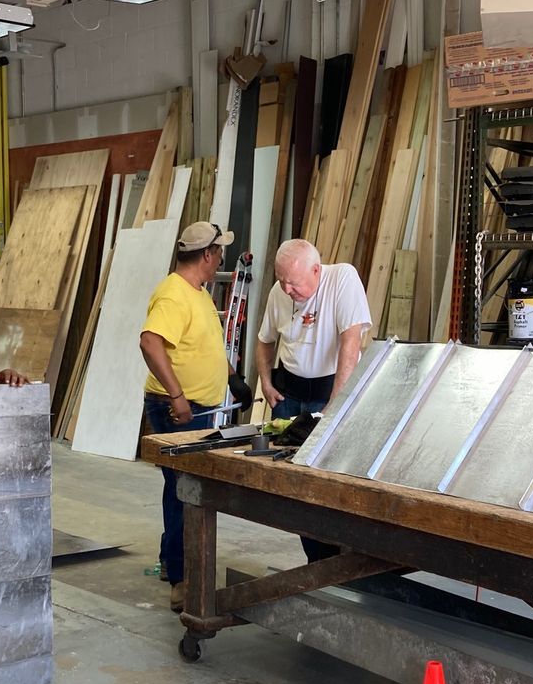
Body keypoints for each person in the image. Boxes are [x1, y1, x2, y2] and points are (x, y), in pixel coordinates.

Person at [140, 222, 251, 611]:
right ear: (207, 255)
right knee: (186, 490)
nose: (221, 257)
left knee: (183, 486)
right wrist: (178, 395)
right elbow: (150, 342)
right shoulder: (173, 295)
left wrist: (233, 379)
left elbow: (204, 344)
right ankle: (182, 575)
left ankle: (174, 564)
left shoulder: (197, 293)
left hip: (200, 406)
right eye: (219, 251)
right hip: (181, 410)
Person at [255, 238, 372, 561]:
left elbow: (351, 342)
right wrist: (265, 382)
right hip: (289, 396)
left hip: (329, 395)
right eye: (281, 280)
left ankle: (342, 560)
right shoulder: (279, 293)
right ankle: (318, 560)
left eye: (293, 282)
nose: (287, 289)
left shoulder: (342, 279)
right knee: (295, 491)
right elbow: (264, 341)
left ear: (316, 270)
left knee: (333, 484)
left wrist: (337, 403)